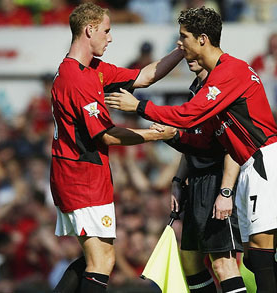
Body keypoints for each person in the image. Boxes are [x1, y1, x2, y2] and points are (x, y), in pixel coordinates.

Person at [106, 6, 277, 292]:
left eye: (183, 37)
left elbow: (189, 114)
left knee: (257, 259)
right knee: (254, 259)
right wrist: (171, 137)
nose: (179, 44)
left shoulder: (230, 71)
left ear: (202, 39)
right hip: (254, 164)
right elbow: (201, 138)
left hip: (263, 161)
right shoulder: (214, 79)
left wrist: (139, 107)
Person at [49, 3, 182, 293]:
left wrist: (182, 50)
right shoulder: (77, 79)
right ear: (90, 30)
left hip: (81, 174)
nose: (110, 38)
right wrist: (155, 135)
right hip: (81, 177)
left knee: (93, 259)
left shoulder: (90, 70)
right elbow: (106, 136)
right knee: (102, 261)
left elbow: (144, 76)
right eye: (107, 31)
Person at [170, 59, 246, 293]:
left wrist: (226, 192)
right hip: (196, 183)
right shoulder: (195, 90)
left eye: (187, 39)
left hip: (217, 181)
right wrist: (177, 180)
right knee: (190, 262)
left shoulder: (220, 89)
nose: (185, 52)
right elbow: (192, 143)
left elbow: (233, 145)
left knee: (223, 264)